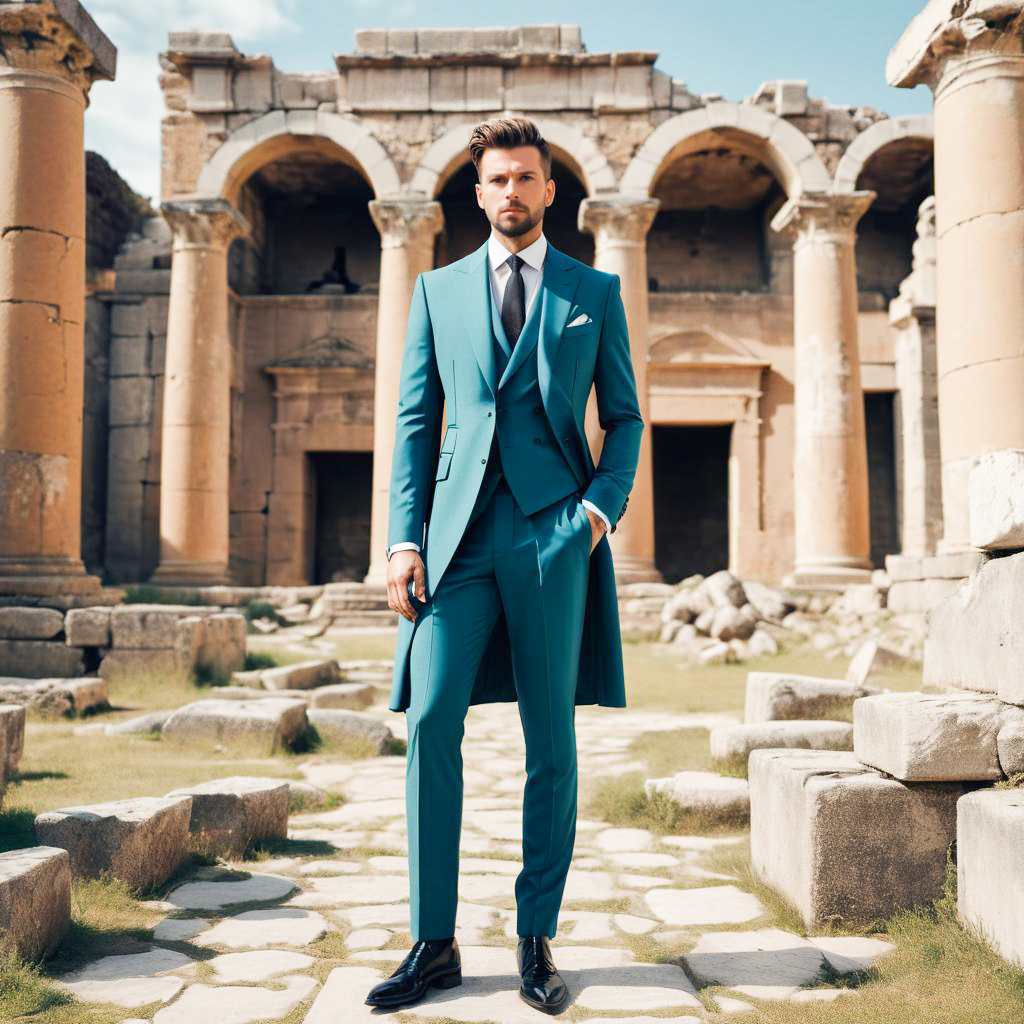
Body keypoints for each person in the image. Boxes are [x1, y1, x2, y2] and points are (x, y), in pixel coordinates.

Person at [366, 116, 643, 1015]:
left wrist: (597, 512)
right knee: (433, 717)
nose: (512, 193)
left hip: (554, 534)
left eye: (526, 178)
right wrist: (403, 539)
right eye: (496, 180)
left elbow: (626, 417)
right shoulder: (437, 291)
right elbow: (414, 423)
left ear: (549, 190)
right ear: (477, 192)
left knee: (549, 742)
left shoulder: (593, 290)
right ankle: (433, 943)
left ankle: (536, 938)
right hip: (455, 540)